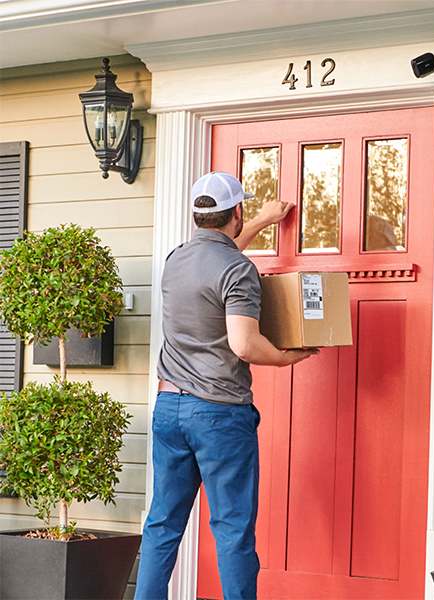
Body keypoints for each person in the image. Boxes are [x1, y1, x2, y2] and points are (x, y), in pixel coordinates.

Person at [134, 172, 317, 600]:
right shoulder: (238, 269)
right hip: (219, 414)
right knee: (233, 529)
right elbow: (245, 343)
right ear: (236, 212)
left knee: (162, 525)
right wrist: (289, 357)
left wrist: (261, 222)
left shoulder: (176, 258)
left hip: (169, 408)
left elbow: (217, 258)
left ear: (197, 216)